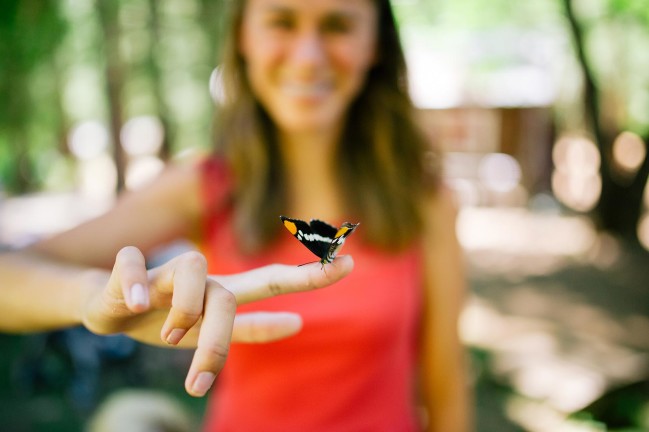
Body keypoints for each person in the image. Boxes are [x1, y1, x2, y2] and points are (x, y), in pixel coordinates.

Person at [1, 0, 472, 430]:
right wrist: (89, 299)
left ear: (375, 45)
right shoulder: (203, 186)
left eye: (337, 26)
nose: (308, 56)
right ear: (244, 37)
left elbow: (446, 391)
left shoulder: (424, 201)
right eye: (281, 22)